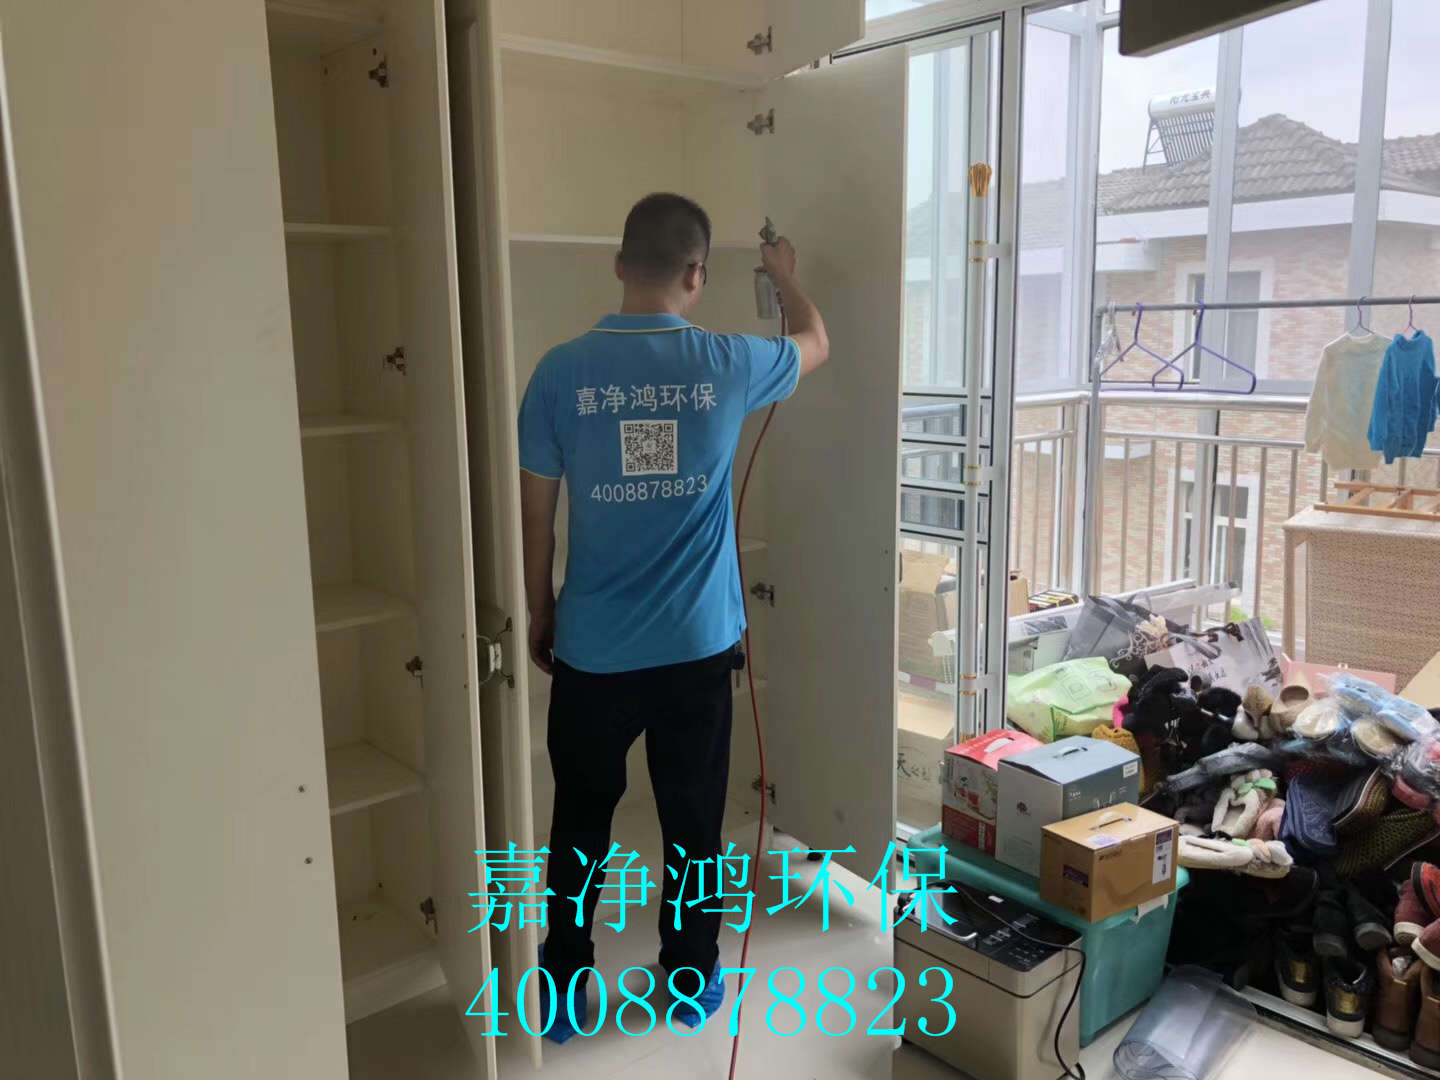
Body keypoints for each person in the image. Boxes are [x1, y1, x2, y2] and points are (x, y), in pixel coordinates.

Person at [516, 192, 829, 1041]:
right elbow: (816, 340)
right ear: (697, 274)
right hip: (696, 652)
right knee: (693, 825)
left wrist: (542, 610)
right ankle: (690, 981)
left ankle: (563, 990)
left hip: (593, 651)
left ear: (620, 264)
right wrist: (783, 277)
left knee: (580, 820)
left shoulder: (559, 374)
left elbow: (538, 520)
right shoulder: (729, 362)